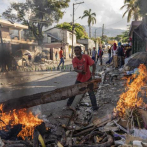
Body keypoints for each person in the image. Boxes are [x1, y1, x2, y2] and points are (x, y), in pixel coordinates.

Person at [66, 46, 98, 111]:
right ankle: (68, 105)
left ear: (81, 51)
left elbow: (93, 64)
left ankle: (94, 107)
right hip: (79, 78)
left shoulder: (86, 57)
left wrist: (93, 72)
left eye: (77, 50)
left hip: (88, 77)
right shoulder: (74, 60)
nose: (76, 52)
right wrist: (81, 71)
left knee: (91, 92)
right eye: (75, 51)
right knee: (74, 91)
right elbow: (75, 69)